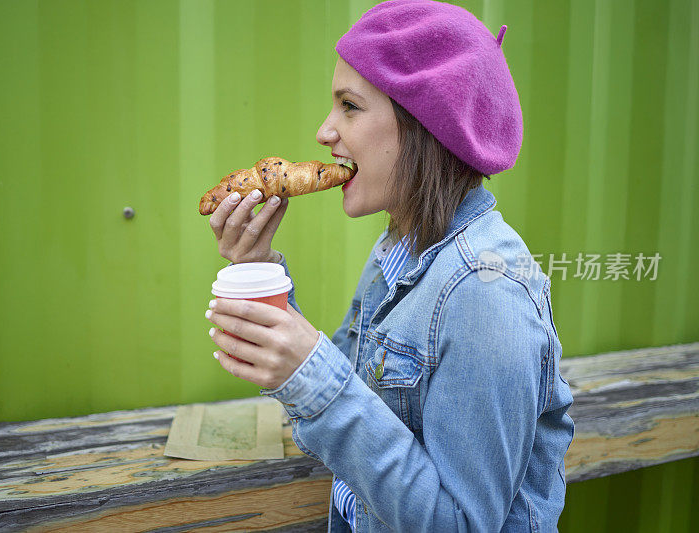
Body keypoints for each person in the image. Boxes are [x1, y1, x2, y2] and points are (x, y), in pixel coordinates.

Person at [205, 1, 575, 530]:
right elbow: (360, 397)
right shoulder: (401, 248)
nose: (324, 132)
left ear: (424, 123)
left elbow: (462, 524)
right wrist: (261, 269)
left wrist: (313, 378)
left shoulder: (485, 293)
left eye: (349, 106)